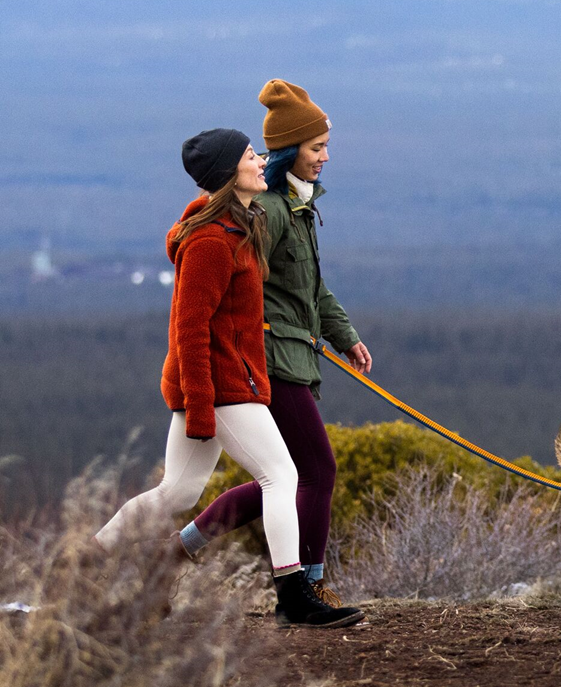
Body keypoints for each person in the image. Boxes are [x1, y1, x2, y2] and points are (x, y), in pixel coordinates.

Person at [93, 126, 365, 629]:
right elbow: (189, 329)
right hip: (219, 387)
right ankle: (293, 594)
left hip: (222, 384)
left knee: (176, 493)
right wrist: (200, 405)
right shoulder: (211, 242)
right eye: (248, 156)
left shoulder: (240, 229)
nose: (261, 161)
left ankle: (86, 563)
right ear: (227, 175)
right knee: (282, 476)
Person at [175, 82, 371, 609]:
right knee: (311, 471)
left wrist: (343, 334)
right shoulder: (269, 213)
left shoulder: (295, 207)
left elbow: (311, 287)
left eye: (326, 147)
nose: (325, 157)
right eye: (316, 148)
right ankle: (306, 585)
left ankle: (181, 550)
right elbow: (241, 295)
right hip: (268, 360)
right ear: (289, 150)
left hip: (292, 354)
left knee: (282, 475)